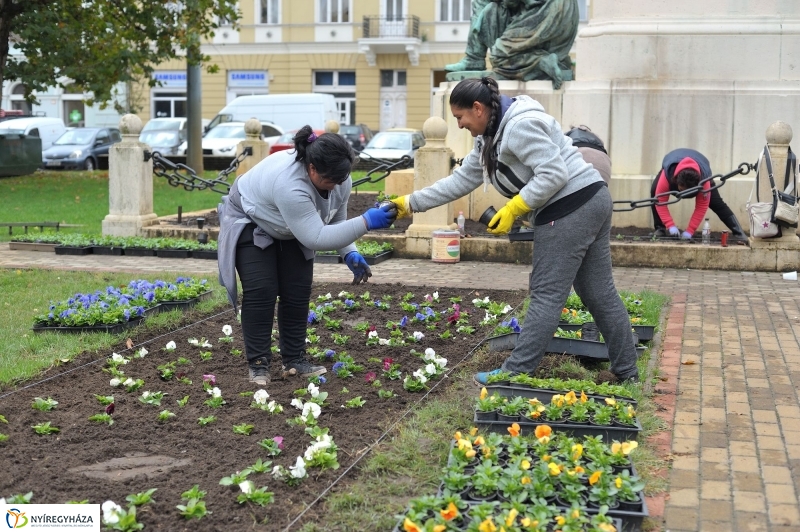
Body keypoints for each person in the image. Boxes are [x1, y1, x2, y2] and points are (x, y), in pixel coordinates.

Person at [390, 77, 639, 384]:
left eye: (460, 117)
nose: (459, 125)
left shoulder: (519, 126)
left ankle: (514, 373)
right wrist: (410, 203)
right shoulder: (490, 136)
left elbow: (554, 173)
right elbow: (460, 181)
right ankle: (628, 372)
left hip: (570, 207)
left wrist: (514, 207)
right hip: (591, 199)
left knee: (547, 293)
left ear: (478, 108)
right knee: (598, 292)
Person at [217, 126, 396, 386]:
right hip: (252, 218)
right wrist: (367, 222)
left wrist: (349, 252)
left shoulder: (339, 176)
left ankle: (294, 359)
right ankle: (258, 364)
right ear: (312, 169)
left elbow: (336, 215)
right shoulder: (290, 185)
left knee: (297, 290)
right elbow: (315, 238)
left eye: (340, 180)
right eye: (330, 181)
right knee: (262, 290)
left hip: (291, 225)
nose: (336, 186)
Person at [445, 0, 579, 88]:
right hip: (564, 18)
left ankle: (540, 62)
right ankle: (474, 58)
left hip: (548, 13)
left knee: (499, 57)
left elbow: (511, 1)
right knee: (490, 9)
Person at [650, 148, 748, 243]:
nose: (684, 194)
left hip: (700, 169)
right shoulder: (668, 174)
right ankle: (660, 229)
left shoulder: (704, 181)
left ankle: (739, 233)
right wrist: (670, 225)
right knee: (655, 192)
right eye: (681, 189)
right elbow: (660, 201)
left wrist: (690, 231)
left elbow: (701, 207)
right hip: (674, 165)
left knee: (716, 203)